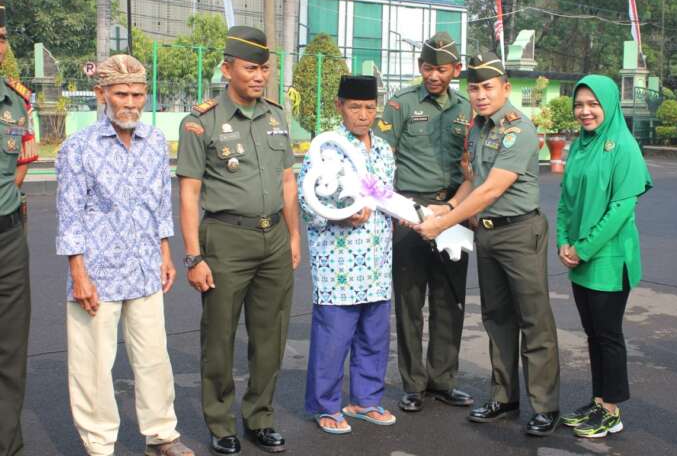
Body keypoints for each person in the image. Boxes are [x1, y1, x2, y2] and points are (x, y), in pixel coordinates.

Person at [414, 51, 561, 436]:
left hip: (519, 232)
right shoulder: (479, 128)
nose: (479, 95)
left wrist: (443, 222)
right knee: (496, 318)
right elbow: (473, 183)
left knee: (534, 321)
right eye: (474, 87)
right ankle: (504, 396)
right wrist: (446, 206)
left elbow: (493, 188)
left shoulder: (518, 129)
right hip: (489, 234)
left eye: (487, 87)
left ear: (505, 88)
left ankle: (545, 405)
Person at [55, 55, 194, 456]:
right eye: (121, 93)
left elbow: (157, 204)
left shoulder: (152, 142)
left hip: (145, 266)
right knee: (93, 366)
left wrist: (165, 253)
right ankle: (99, 445)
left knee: (153, 357)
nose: (130, 102)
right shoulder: (78, 148)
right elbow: (69, 216)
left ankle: (162, 435)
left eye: (137, 93)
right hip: (96, 274)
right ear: (102, 95)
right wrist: (78, 273)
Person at [176, 26, 301, 455]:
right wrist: (193, 256)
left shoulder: (276, 115)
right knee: (219, 335)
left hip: (274, 239)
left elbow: (287, 181)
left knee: (271, 334)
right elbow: (190, 192)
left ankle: (260, 417)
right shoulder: (201, 122)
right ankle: (220, 422)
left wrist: (295, 236)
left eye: (265, 68)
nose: (259, 76)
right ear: (227, 68)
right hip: (225, 239)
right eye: (251, 67)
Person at [374, 32, 474, 413]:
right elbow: (382, 162)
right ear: (420, 67)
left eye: (442, 69)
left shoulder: (467, 109)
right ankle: (413, 383)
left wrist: (458, 210)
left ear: (455, 70)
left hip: (453, 211)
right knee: (410, 301)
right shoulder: (400, 105)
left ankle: (443, 380)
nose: (434, 75)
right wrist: (397, 212)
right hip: (410, 214)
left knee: (450, 299)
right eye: (428, 67)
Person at [300, 75, 397, 435]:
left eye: (370, 108)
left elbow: (387, 197)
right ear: (339, 106)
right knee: (333, 337)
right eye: (355, 107)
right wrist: (338, 214)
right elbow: (307, 200)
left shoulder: (384, 150)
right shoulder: (325, 148)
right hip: (336, 262)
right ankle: (325, 406)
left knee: (374, 335)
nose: (363, 115)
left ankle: (364, 401)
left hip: (376, 259)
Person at [557, 75, 652, 438]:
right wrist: (564, 241)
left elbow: (621, 208)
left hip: (610, 259)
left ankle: (611, 410)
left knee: (608, 335)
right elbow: (566, 201)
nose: (585, 111)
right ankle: (599, 402)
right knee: (593, 334)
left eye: (593, 104)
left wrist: (582, 248)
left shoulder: (625, 147)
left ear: (609, 104)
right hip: (580, 257)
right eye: (579, 105)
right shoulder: (580, 146)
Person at [0, 0, 39, 456]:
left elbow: (19, 168)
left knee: (10, 353)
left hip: (9, 239)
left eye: (2, 37)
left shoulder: (16, 100)